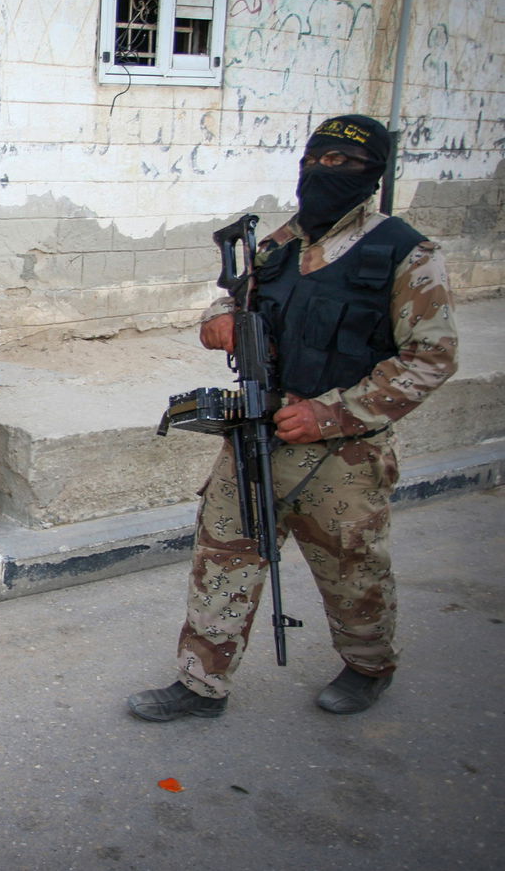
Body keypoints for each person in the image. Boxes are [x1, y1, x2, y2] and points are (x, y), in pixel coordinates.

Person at [127, 114, 458, 722]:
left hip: (343, 453)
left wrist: (331, 413)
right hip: (258, 429)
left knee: (352, 568)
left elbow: (431, 356)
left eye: (343, 163)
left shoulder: (407, 253)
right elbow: (236, 297)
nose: (324, 172)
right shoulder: (278, 242)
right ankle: (201, 682)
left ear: (373, 174)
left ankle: (368, 667)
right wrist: (218, 317)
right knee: (223, 555)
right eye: (316, 160)